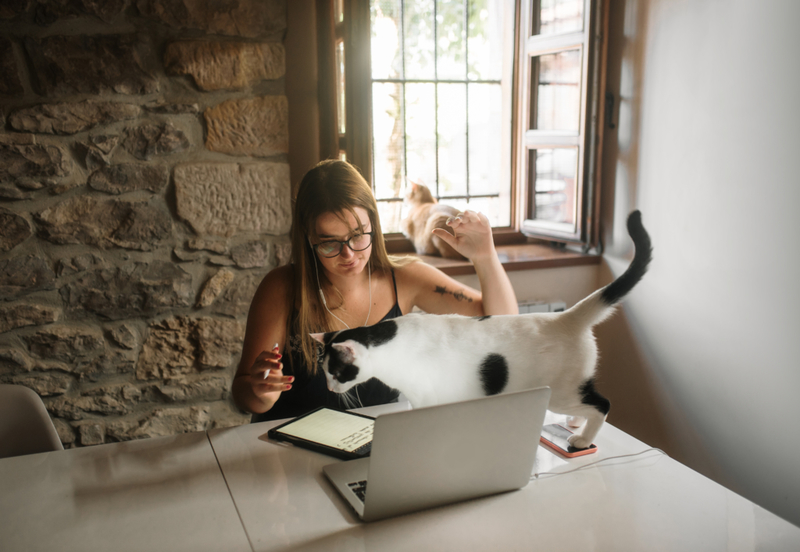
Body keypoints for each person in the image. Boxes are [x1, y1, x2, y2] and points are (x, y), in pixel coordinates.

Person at [232, 160, 518, 421]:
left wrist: (485, 258)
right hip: (287, 452)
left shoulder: (406, 278)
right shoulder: (281, 288)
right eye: (329, 243)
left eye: (357, 236)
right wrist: (260, 394)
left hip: (376, 450)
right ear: (308, 238)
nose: (348, 254)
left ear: (374, 224)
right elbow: (243, 396)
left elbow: (501, 323)